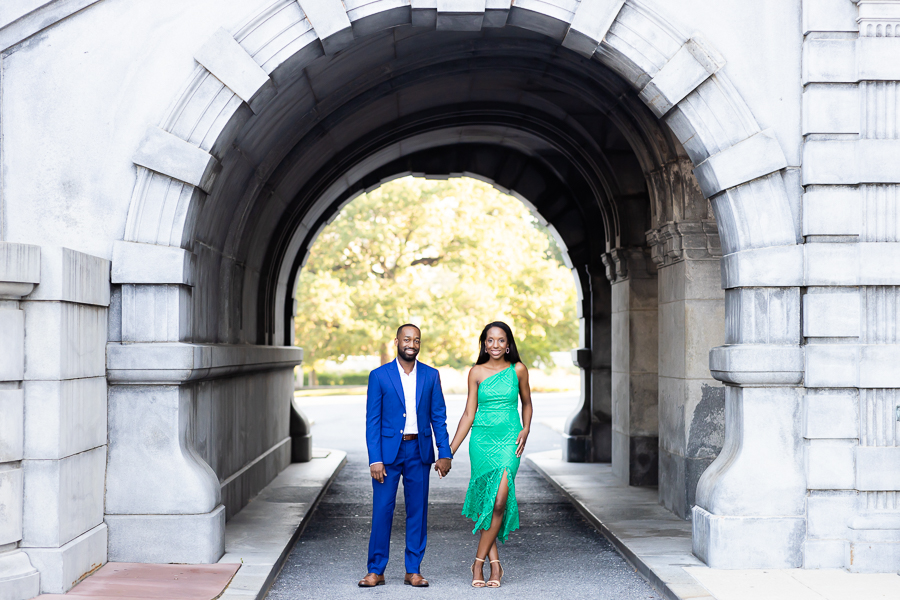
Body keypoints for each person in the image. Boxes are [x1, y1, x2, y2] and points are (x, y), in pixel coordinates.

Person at [358, 324, 453, 588]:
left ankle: (413, 570)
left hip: (419, 452)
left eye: (417, 340)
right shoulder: (379, 376)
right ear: (397, 341)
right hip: (388, 454)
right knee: (382, 511)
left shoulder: (431, 375)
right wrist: (374, 459)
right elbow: (372, 421)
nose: (412, 343)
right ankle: (375, 570)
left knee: (417, 511)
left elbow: (438, 417)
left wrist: (444, 452)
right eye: (407, 339)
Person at [448, 321, 533, 588]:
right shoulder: (475, 372)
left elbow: (527, 403)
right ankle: (495, 566)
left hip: (510, 441)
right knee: (489, 503)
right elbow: (468, 415)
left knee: (499, 502)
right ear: (484, 343)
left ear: (509, 344)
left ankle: (478, 562)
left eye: (501, 340)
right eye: (490, 340)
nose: (495, 345)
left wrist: (526, 428)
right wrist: (448, 452)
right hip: (482, 442)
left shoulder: (518, 370)